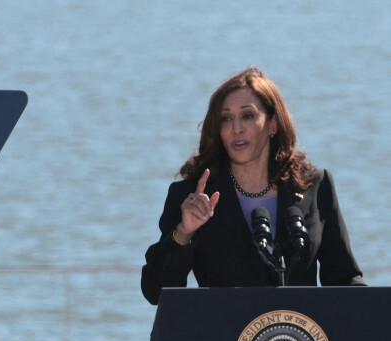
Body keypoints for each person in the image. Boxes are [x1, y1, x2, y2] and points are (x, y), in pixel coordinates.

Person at [141, 67, 365, 305]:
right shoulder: (192, 196)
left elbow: (346, 280)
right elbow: (155, 292)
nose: (236, 128)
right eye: (226, 118)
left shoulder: (315, 186)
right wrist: (184, 232)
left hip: (299, 339)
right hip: (224, 339)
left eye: (248, 116)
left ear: (273, 124)